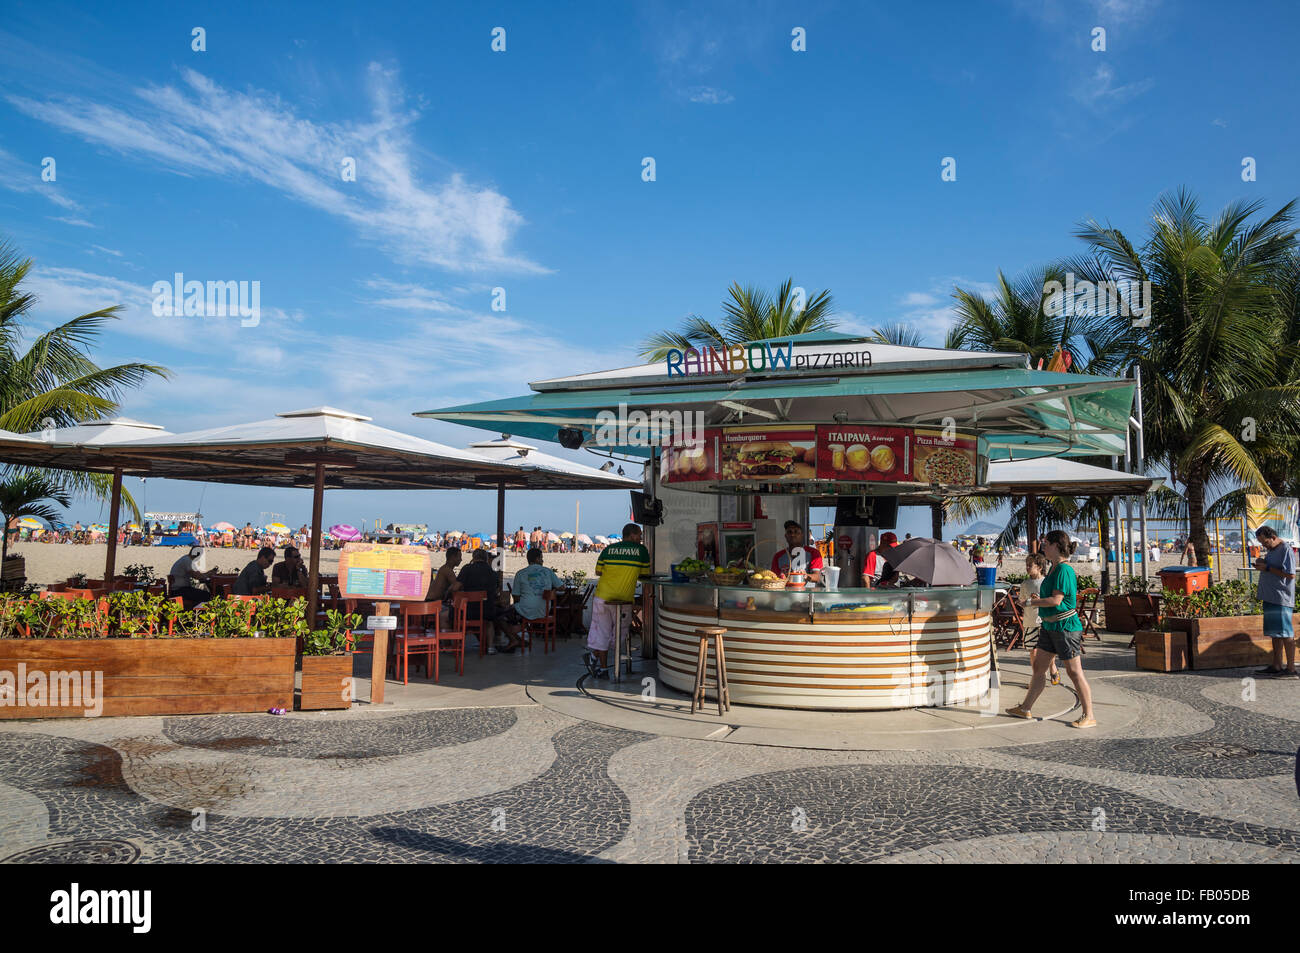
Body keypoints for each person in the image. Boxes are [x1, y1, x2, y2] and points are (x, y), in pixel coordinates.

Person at [1006, 529, 1095, 728]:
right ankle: (1025, 708)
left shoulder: (1064, 570)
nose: (1043, 547)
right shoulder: (1055, 568)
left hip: (1065, 627)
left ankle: (1089, 715)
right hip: (1050, 626)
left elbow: (1057, 600)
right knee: (1039, 668)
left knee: (1074, 672)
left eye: (1046, 543)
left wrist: (1031, 603)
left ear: (1056, 546)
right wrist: (1038, 601)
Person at [584, 523, 651, 679]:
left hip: (602, 597)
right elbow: (644, 574)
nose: (641, 538)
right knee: (620, 634)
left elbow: (598, 571)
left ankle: (600, 665)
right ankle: (599, 663)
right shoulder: (641, 551)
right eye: (639, 535)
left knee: (602, 633)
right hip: (624, 600)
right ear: (632, 534)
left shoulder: (608, 550)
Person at [1253, 526, 1298, 678]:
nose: (1264, 546)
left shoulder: (1285, 549)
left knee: (1286, 633)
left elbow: (1290, 574)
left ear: (1272, 536)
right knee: (1275, 634)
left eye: (1265, 542)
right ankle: (1277, 665)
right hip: (1270, 597)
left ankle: (1291, 669)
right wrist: (1262, 563)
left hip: (1281, 598)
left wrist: (1267, 568)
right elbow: (1271, 567)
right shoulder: (1272, 550)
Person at [458, 548, 522, 652]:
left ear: (473, 558)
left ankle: (457, 644)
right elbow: (496, 591)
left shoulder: (467, 568)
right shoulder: (492, 572)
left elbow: (457, 586)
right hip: (487, 610)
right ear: (486, 558)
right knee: (491, 619)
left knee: (453, 614)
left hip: (468, 611)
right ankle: (490, 647)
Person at [1020, 552, 1059, 685]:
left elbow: (1052, 600)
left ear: (1040, 567)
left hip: (1044, 621)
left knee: (1047, 650)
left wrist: (1039, 600)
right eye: (1026, 565)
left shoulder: (1046, 582)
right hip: (1029, 620)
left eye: (1030, 565)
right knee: (1032, 651)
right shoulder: (1025, 583)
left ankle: (1052, 666)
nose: (1027, 568)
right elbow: (1022, 601)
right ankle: (1036, 677)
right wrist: (1025, 602)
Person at [513, 546, 560, 630]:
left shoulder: (520, 573)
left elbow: (516, 596)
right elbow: (562, 587)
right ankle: (524, 629)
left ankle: (516, 637)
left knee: (502, 615)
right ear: (537, 559)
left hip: (525, 609)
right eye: (541, 558)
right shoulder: (548, 571)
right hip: (544, 610)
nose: (542, 561)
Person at [168, 545, 217, 609]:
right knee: (206, 595)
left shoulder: (186, 559)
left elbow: (197, 574)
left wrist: (207, 573)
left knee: (202, 594)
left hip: (177, 589)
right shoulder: (187, 561)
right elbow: (196, 576)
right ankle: (198, 612)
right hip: (179, 590)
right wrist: (208, 574)